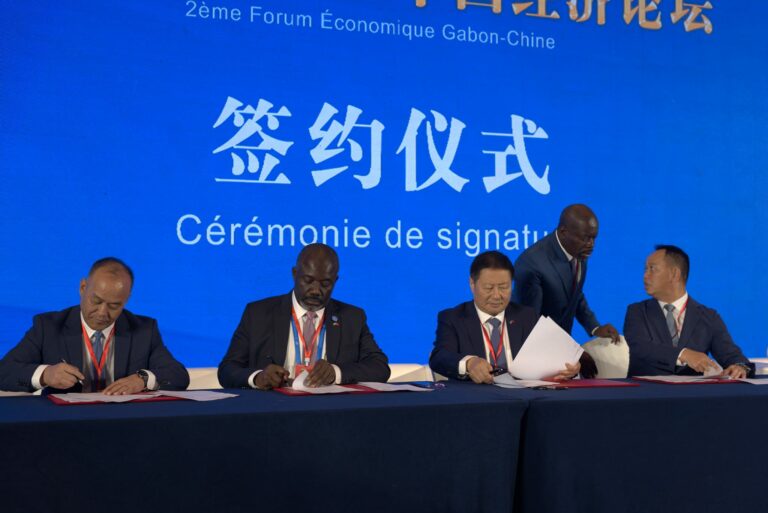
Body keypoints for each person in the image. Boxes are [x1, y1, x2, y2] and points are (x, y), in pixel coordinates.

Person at [0, 257, 189, 394]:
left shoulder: (144, 330)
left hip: (124, 425)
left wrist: (143, 380)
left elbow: (178, 375)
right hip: (64, 426)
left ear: (126, 300)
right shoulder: (48, 327)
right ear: (83, 288)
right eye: (96, 301)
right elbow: (4, 371)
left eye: (114, 306)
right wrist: (46, 375)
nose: (102, 313)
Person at [218, 243, 390, 389]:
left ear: (335, 281)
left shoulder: (352, 317)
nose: (315, 290)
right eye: (308, 281)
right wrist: (258, 377)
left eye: (325, 284)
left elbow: (380, 367)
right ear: (294, 274)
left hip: (332, 409)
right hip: (274, 407)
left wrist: (336, 372)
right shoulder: (258, 313)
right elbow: (227, 370)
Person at [429, 251, 580, 384]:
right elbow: (439, 357)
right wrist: (469, 363)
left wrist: (569, 368)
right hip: (475, 399)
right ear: (472, 284)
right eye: (488, 288)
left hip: (523, 399)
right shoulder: (453, 318)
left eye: (504, 287)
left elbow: (552, 355)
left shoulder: (527, 316)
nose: (496, 295)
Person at [513, 204, 619, 377]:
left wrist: (595, 327)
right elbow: (530, 325)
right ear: (563, 232)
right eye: (586, 238)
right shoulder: (531, 264)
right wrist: (573, 352)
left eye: (594, 238)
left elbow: (574, 294)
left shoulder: (578, 250)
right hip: (533, 360)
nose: (591, 245)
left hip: (561, 358)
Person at [623, 245, 753, 378]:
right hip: (646, 389)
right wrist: (683, 354)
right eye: (646, 269)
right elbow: (641, 347)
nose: (645, 276)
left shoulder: (708, 316)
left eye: (652, 269)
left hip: (693, 390)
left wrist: (740, 367)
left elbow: (733, 356)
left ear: (674, 274)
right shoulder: (637, 312)